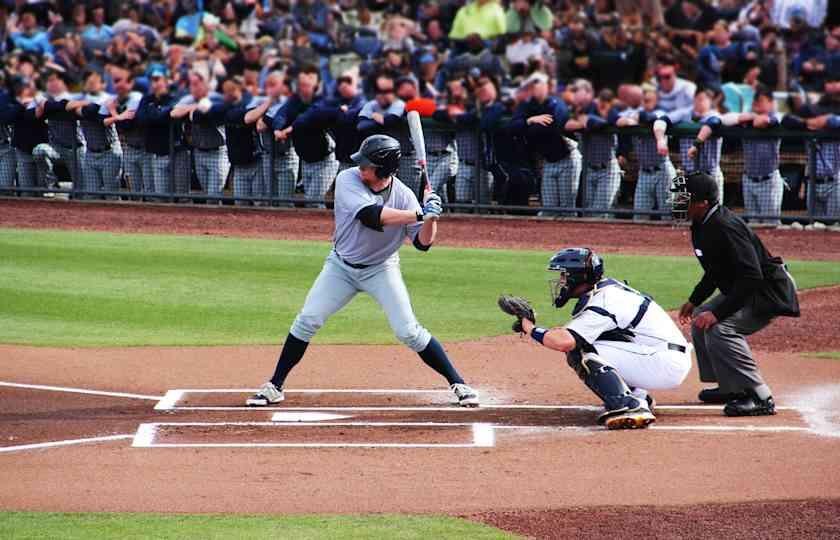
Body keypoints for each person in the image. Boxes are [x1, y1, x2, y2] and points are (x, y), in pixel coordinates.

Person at [247, 134, 480, 408]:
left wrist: (431, 219)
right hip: (340, 267)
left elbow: (422, 244)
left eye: (367, 165)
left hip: (381, 269)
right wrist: (420, 213)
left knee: (408, 332)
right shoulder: (348, 179)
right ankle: (275, 385)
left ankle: (458, 383)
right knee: (308, 319)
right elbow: (371, 216)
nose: (361, 168)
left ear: (382, 170)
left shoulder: (405, 197)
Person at [508, 247, 691, 429]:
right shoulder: (605, 292)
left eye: (563, 275)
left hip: (663, 362)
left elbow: (563, 342)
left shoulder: (605, 299)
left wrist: (529, 327)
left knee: (580, 349)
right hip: (657, 356)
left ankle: (628, 405)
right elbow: (566, 333)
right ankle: (637, 397)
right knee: (585, 340)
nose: (560, 281)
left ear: (578, 276)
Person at [673, 171, 796, 416]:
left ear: (702, 203)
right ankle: (731, 388)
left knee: (721, 328)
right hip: (746, 288)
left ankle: (760, 396)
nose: (678, 202)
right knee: (700, 319)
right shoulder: (702, 223)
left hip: (766, 293)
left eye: (683, 198)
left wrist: (718, 313)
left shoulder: (724, 226)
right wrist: (695, 300)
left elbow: (752, 276)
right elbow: (715, 270)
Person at [510, 72, 581, 216]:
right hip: (549, 161)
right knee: (548, 209)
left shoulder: (555, 103)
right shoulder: (527, 105)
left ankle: (568, 237)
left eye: (537, 84)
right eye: (532, 85)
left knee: (567, 209)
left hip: (567, 157)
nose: (534, 88)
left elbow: (553, 126)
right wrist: (530, 120)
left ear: (546, 86)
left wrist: (526, 127)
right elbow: (512, 127)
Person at [720, 86, 785, 224]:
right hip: (749, 179)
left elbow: (762, 121)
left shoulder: (776, 117)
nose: (757, 104)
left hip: (769, 180)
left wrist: (752, 117)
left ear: (771, 103)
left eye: (761, 101)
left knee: (770, 226)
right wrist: (746, 117)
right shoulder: (746, 119)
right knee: (753, 225)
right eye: (756, 101)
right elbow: (723, 119)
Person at [285, 65, 340, 208]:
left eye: (307, 85)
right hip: (307, 160)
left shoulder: (323, 102)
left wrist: (291, 127)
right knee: (312, 201)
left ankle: (317, 230)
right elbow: (280, 115)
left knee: (313, 200)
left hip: (325, 159)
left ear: (316, 86)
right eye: (300, 85)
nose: (303, 89)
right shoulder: (294, 101)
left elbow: (311, 116)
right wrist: (279, 127)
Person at [616, 87, 675, 221]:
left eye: (649, 100)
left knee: (668, 216)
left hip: (662, 171)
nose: (646, 102)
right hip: (644, 173)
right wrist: (631, 120)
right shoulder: (633, 114)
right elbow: (618, 121)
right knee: (639, 216)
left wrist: (636, 118)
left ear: (656, 101)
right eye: (644, 99)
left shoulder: (661, 113)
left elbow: (651, 119)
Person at [565, 79, 621, 218]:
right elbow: (568, 123)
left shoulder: (611, 113)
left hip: (607, 169)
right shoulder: (578, 112)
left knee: (599, 212)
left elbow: (603, 122)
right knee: (588, 212)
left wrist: (589, 120)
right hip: (589, 170)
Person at [171, 70, 230, 202]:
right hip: (199, 152)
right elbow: (174, 113)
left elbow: (201, 114)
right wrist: (193, 106)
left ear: (206, 84)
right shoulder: (189, 99)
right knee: (206, 192)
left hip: (218, 152)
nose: (194, 88)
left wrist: (191, 109)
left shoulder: (216, 98)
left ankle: (217, 222)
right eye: (191, 84)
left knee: (213, 196)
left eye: (197, 84)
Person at [245, 70, 299, 206]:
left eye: (274, 85)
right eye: (268, 84)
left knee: (285, 202)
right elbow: (249, 118)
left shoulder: (291, 102)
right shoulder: (260, 99)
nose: (269, 88)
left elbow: (269, 122)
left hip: (286, 156)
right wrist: (268, 103)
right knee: (271, 201)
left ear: (284, 86)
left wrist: (263, 116)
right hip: (267, 156)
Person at [136, 67, 190, 198]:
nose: (154, 84)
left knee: (182, 196)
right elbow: (141, 118)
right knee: (161, 197)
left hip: (178, 151)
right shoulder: (146, 99)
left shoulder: (176, 96)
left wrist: (156, 112)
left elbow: (160, 115)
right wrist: (159, 112)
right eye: (152, 80)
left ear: (166, 80)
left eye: (157, 79)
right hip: (158, 153)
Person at [68, 70, 123, 199]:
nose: (91, 84)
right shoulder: (80, 98)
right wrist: (82, 106)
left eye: (94, 82)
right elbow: (67, 106)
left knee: (111, 194)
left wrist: (81, 108)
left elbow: (93, 111)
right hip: (91, 153)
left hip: (109, 152)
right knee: (91, 196)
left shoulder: (108, 98)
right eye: (88, 81)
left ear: (103, 84)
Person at [670, 88, 724, 205]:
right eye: (695, 99)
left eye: (702, 99)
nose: (698, 103)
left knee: (713, 212)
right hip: (689, 175)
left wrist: (696, 144)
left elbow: (713, 122)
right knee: (684, 213)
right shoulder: (684, 114)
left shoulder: (714, 115)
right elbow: (665, 118)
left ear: (711, 101)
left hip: (710, 175)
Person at [32, 71, 84, 191]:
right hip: (56, 147)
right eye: (49, 81)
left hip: (75, 149)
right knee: (39, 151)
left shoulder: (74, 97)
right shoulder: (43, 97)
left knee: (81, 189)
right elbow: (39, 101)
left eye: (55, 80)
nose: (52, 83)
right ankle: (51, 183)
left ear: (63, 83)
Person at [106, 65, 148, 198]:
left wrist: (113, 112)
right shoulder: (115, 99)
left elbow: (126, 123)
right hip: (129, 149)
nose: (117, 85)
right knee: (133, 193)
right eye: (115, 81)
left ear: (130, 83)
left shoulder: (136, 97)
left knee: (151, 191)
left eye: (119, 81)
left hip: (146, 150)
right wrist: (117, 115)